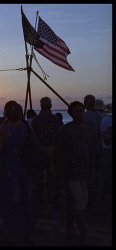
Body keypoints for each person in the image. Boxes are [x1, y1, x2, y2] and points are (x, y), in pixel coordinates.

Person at [0, 101, 37, 244]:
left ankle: (14, 233)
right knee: (26, 201)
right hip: (26, 171)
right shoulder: (26, 127)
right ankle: (27, 230)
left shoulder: (5, 130)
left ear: (6, 113)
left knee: (10, 203)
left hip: (9, 172)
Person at [54, 101, 97, 245]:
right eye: (76, 111)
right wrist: (59, 172)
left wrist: (94, 171)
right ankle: (82, 234)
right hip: (71, 173)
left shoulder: (89, 130)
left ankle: (72, 232)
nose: (78, 113)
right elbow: (57, 152)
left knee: (81, 204)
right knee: (77, 205)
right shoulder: (64, 131)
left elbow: (94, 151)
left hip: (86, 172)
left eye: (81, 110)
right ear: (71, 113)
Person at [31, 97, 63, 207]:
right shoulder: (56, 120)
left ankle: (40, 199)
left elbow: (33, 138)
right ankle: (54, 198)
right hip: (53, 150)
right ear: (51, 105)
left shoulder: (36, 120)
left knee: (39, 176)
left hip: (41, 150)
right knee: (54, 175)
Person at [82, 94, 103, 210]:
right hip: (95, 149)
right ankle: (94, 200)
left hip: (87, 150)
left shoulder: (83, 117)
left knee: (87, 175)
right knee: (95, 174)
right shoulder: (100, 116)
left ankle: (88, 200)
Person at [99, 103, 112, 199]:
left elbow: (101, 133)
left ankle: (106, 192)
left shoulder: (104, 120)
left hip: (105, 149)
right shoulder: (104, 119)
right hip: (106, 148)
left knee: (105, 172)